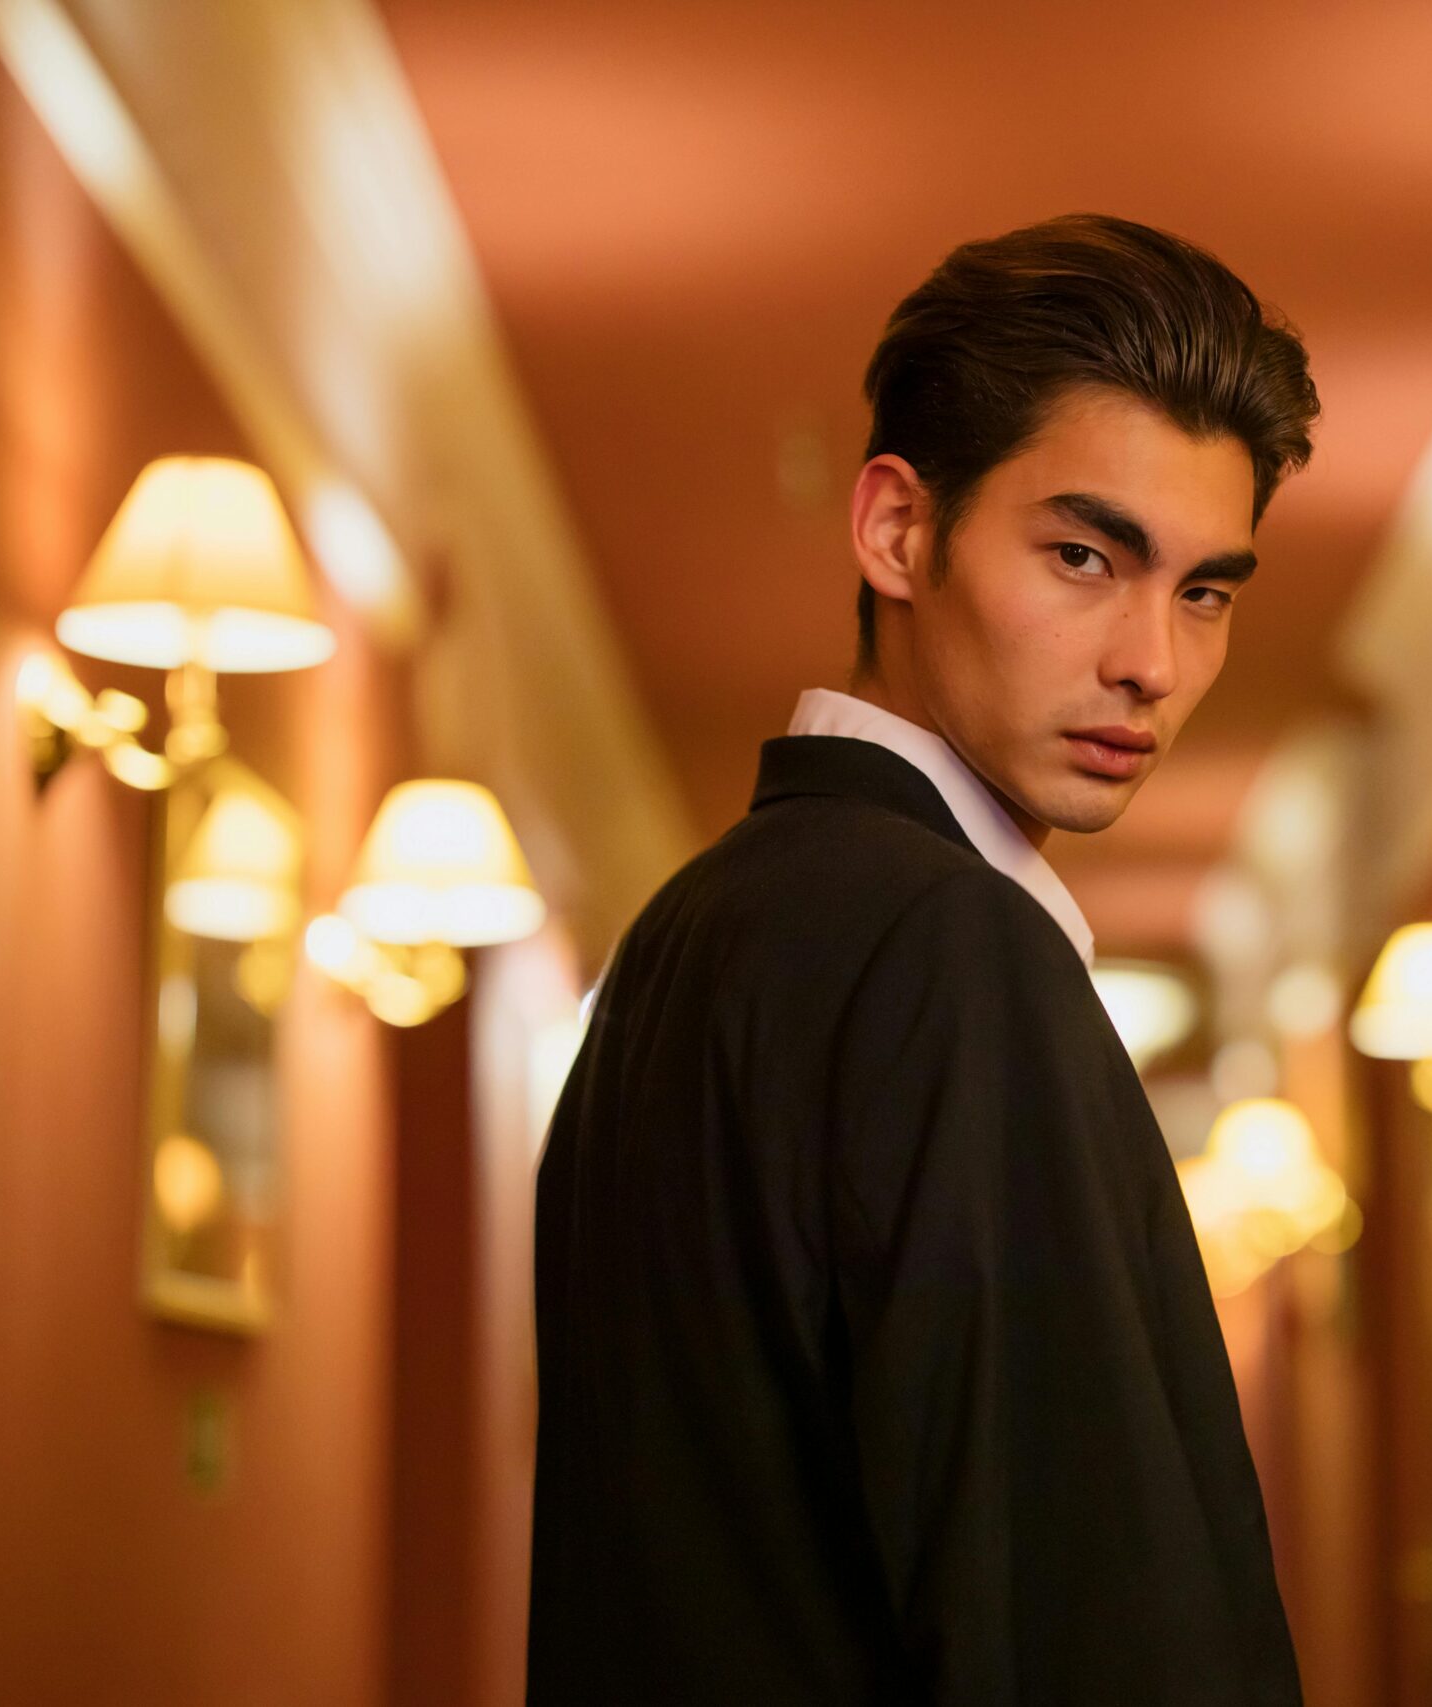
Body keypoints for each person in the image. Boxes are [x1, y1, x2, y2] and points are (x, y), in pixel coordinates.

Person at [526, 212, 1320, 1704]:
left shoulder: (687, 935)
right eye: (1086, 554)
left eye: (1206, 590)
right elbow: (1075, 1617)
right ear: (897, 528)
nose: (1153, 658)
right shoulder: (955, 951)